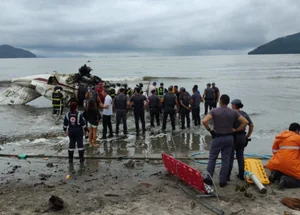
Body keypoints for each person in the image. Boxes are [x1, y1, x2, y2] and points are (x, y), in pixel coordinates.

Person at [202, 94, 248, 187]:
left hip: (218, 137)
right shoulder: (233, 112)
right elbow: (245, 122)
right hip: (229, 138)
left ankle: (209, 179)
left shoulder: (214, 111)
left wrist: (210, 130)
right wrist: (237, 129)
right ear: (228, 102)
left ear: (220, 101)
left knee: (212, 158)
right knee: (226, 159)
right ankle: (223, 181)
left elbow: (204, 121)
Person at [266, 123, 300, 189]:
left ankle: (276, 175)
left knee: (285, 171)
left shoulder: (280, 137)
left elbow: (274, 151)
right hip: (291, 164)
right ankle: (285, 181)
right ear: (297, 130)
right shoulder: (298, 138)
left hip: (277, 163)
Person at [228, 99, 254, 181]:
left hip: (232, 137)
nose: (231, 106)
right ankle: (241, 174)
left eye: (232, 104)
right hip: (242, 137)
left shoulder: (231, 113)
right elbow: (251, 125)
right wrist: (247, 136)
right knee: (240, 156)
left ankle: (227, 175)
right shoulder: (244, 114)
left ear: (234, 105)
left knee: (230, 157)